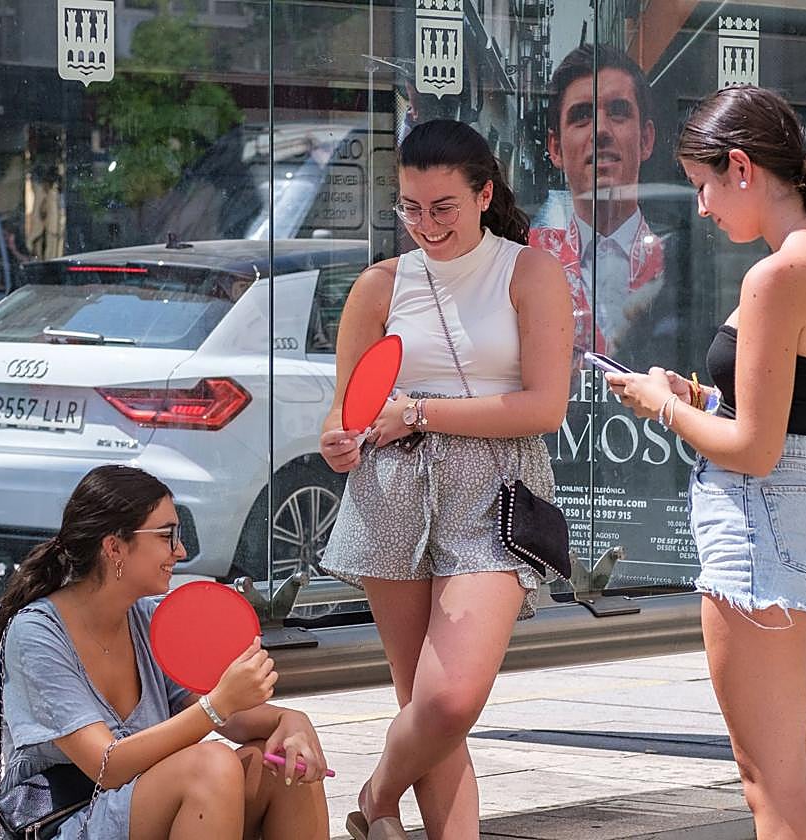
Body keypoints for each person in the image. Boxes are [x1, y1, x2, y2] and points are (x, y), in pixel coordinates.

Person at [606, 86, 806, 839]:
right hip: (792, 517)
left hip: (759, 526)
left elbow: (755, 448)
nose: (704, 208)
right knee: (791, 788)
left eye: (703, 186)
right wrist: (689, 393)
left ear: (742, 167)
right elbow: (785, 415)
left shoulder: (776, 274)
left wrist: (663, 406)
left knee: (770, 792)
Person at [319, 120, 573, 840]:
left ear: (483, 193)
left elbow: (543, 407)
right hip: (392, 490)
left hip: (494, 492)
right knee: (422, 702)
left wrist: (420, 411)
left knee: (450, 699)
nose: (425, 225)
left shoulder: (529, 272)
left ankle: (372, 800)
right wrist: (339, 442)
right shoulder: (379, 285)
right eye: (410, 207)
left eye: (443, 207)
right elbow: (345, 410)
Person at [0, 464, 329, 840]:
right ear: (114, 547)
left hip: (144, 805)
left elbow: (225, 716)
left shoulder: (146, 618)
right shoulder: (37, 634)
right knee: (210, 765)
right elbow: (106, 766)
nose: (181, 550)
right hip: (65, 821)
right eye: (167, 535)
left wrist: (290, 722)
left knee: (287, 767)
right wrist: (217, 705)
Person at [530, 44, 672, 358]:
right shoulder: (526, 259)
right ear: (555, 148)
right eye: (581, 117)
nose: (600, 131)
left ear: (646, 139)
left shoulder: (679, 263)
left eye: (618, 112)